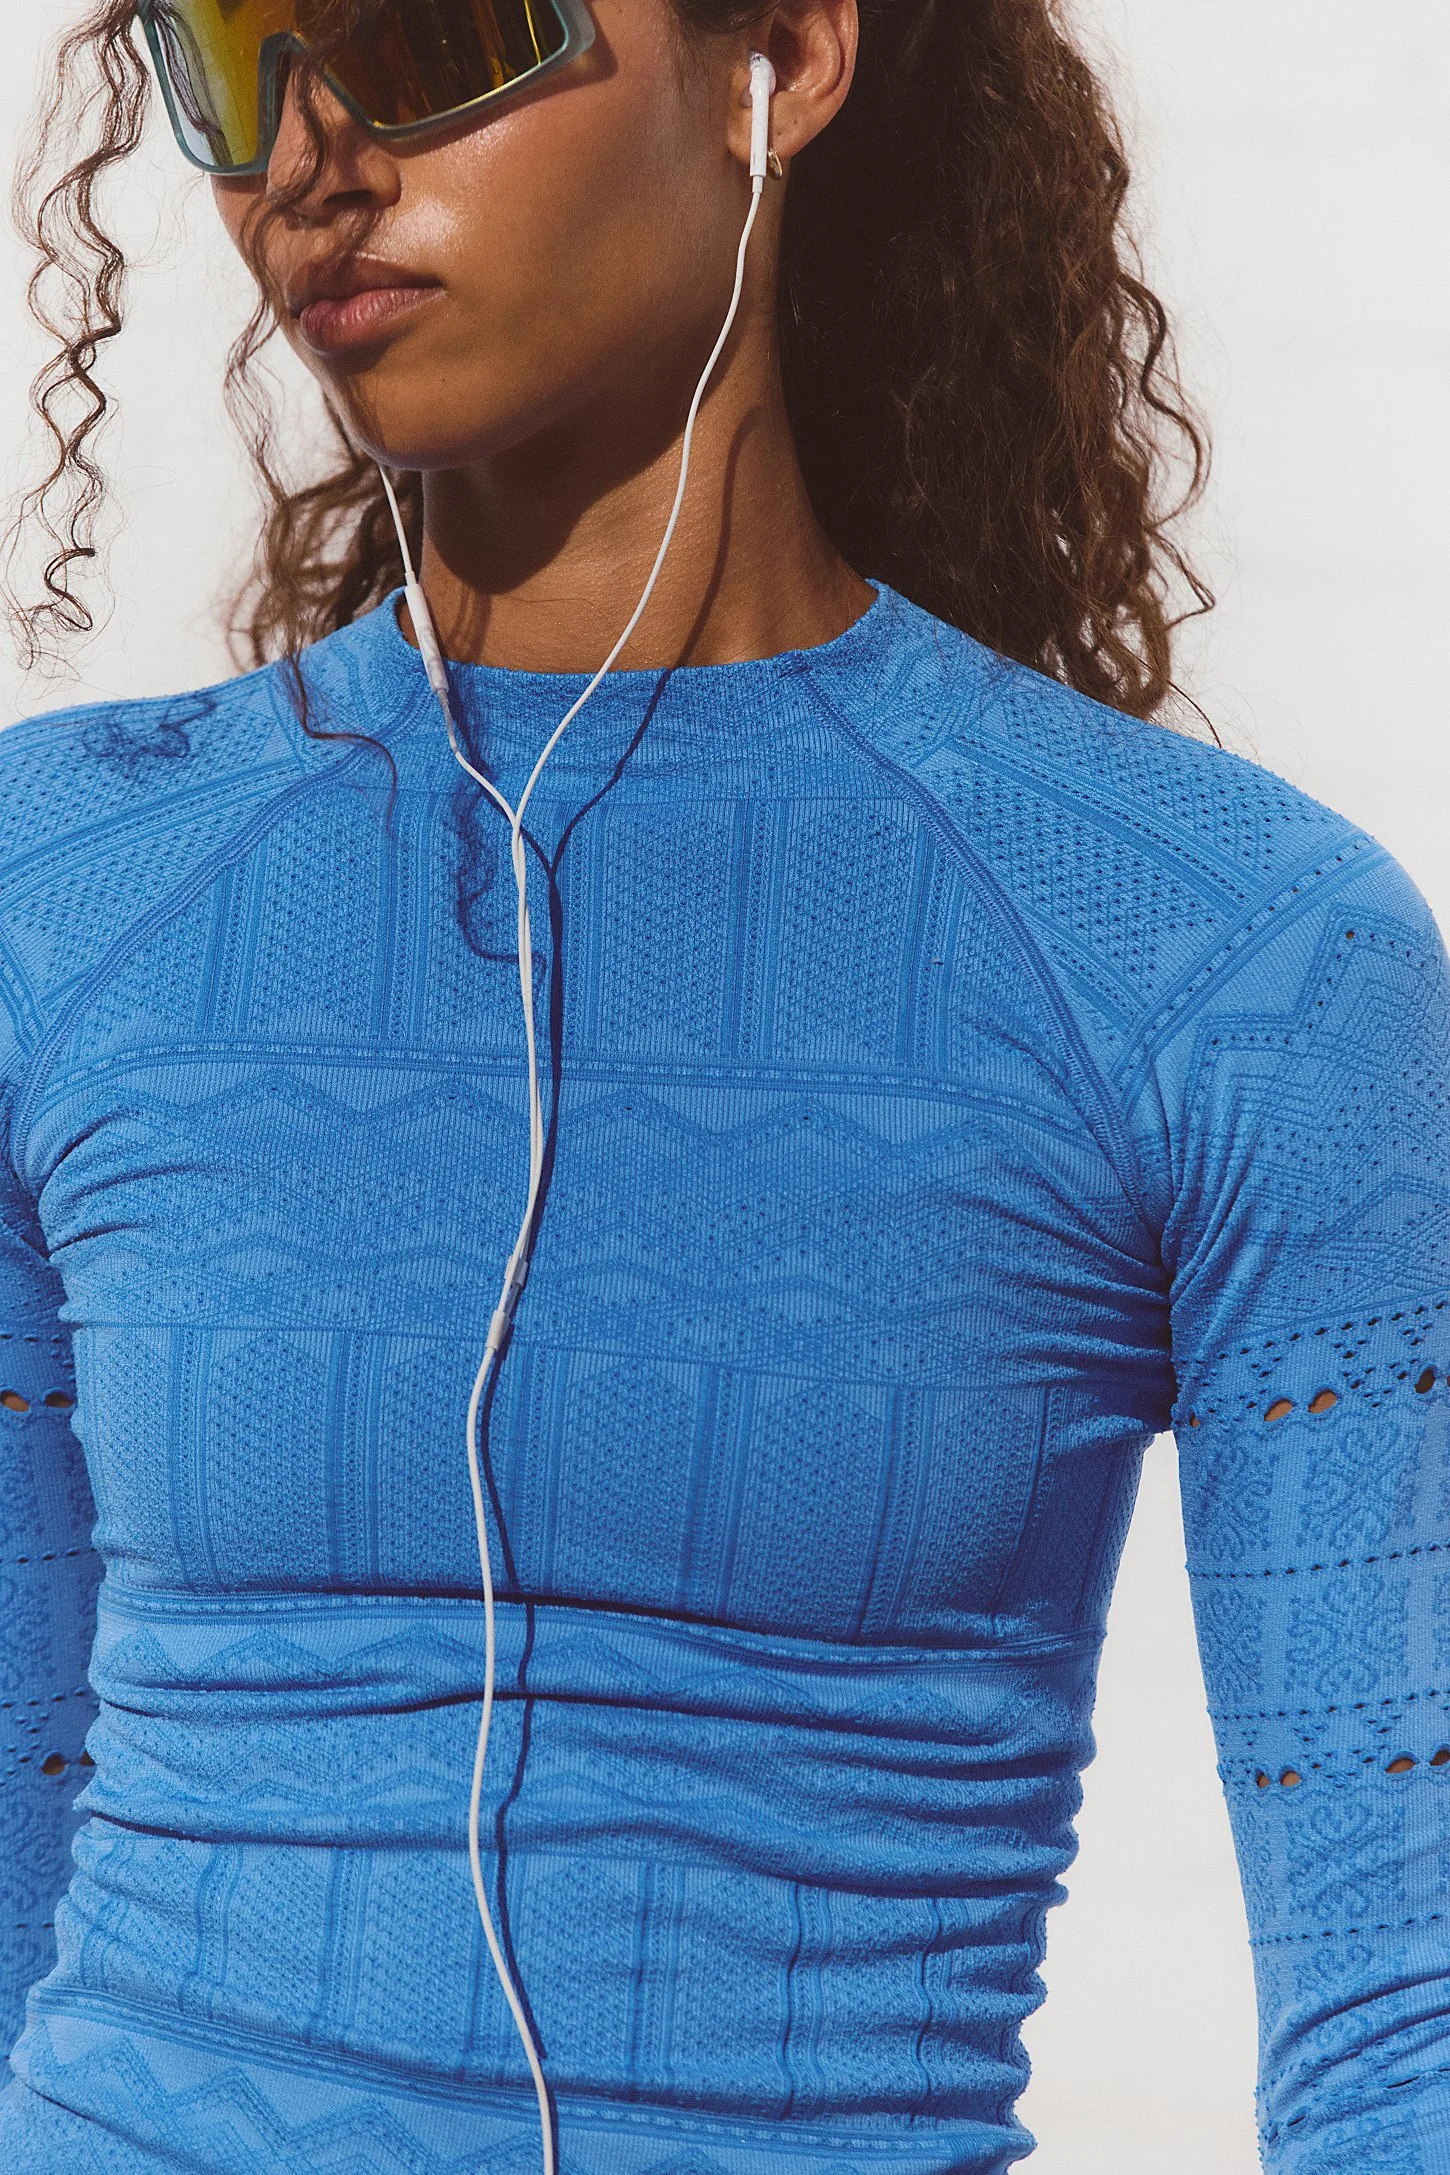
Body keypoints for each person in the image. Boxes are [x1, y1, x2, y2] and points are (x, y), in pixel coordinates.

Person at [1, 1, 1447, 2171]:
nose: (307, 156)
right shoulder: (60, 892)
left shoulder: (1227, 961)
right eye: (225, 59)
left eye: (424, 32)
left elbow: (1403, 2027)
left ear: (781, 53)